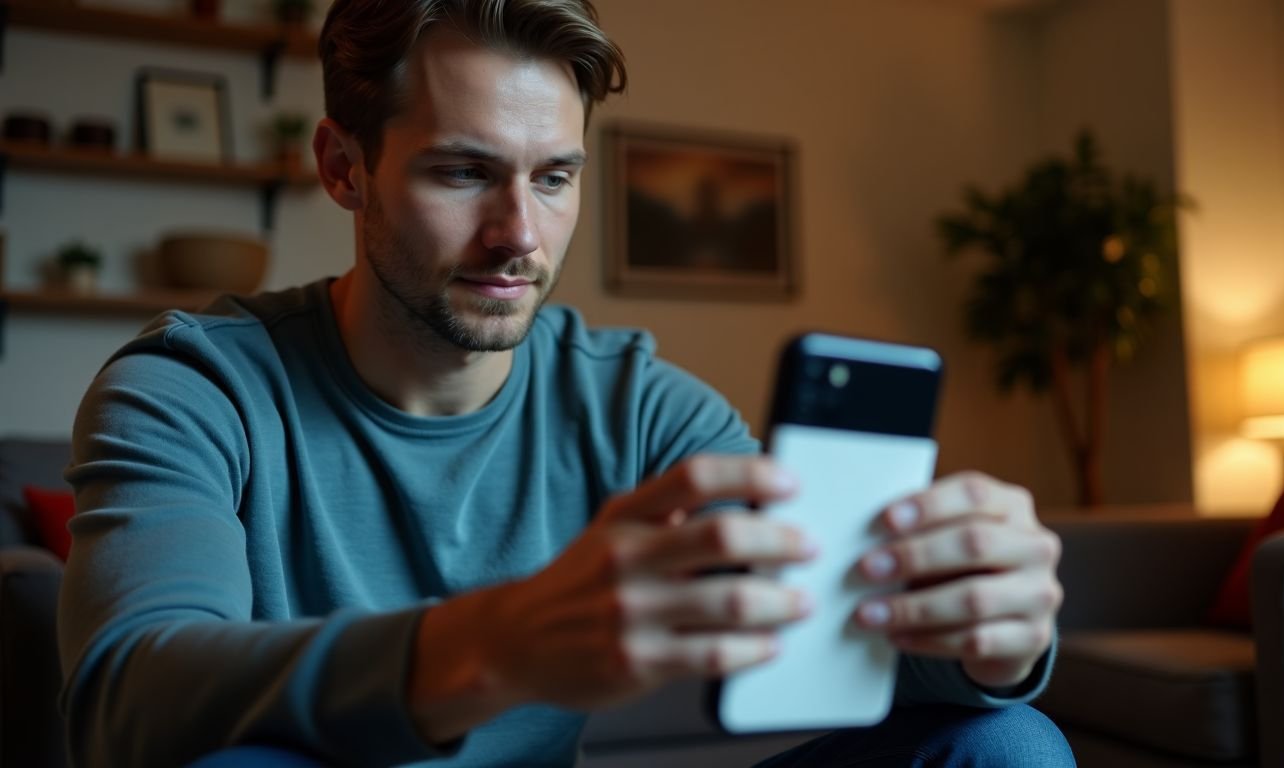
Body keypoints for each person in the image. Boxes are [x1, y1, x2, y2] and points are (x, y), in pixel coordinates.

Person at [57, 1, 1073, 766]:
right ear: (343, 166)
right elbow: (128, 698)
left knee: (1005, 744)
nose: (520, 237)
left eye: (554, 177)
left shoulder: (632, 403)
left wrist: (992, 634)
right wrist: (497, 644)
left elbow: (827, 627)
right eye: (461, 172)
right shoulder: (193, 385)